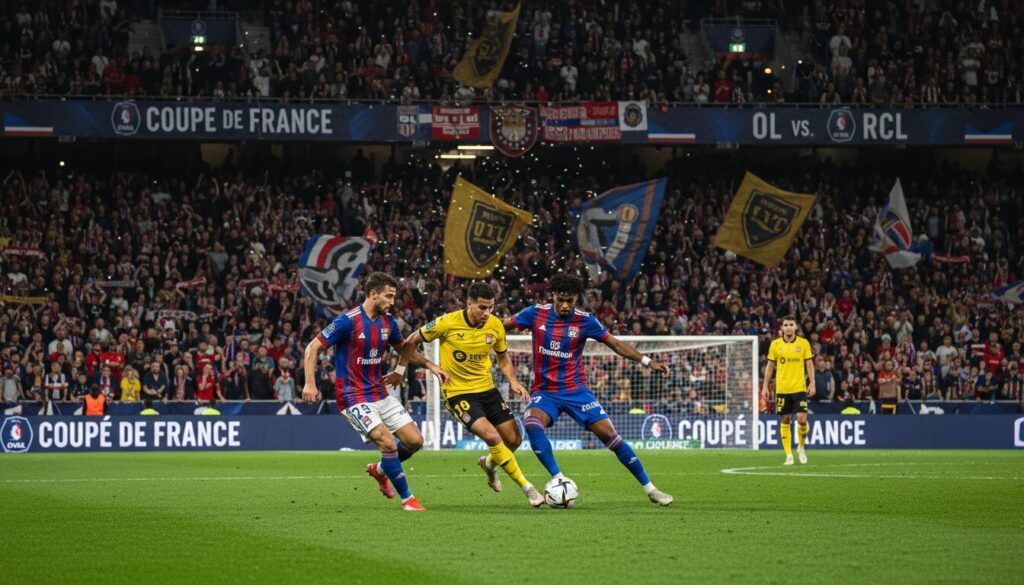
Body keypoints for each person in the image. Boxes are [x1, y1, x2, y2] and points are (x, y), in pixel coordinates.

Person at [503, 274, 675, 506]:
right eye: (561, 300)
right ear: (553, 295)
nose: (565, 305)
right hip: (545, 392)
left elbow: (615, 344)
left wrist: (648, 361)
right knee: (532, 423)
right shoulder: (536, 313)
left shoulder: (585, 321)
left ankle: (651, 489)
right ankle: (559, 478)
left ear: (576, 298)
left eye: (570, 300)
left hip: (576, 391)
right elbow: (501, 325)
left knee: (611, 436)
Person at [302, 272, 448, 512]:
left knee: (415, 441)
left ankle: (380, 470)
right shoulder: (347, 321)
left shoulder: (388, 323)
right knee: (387, 443)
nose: (392, 302)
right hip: (352, 397)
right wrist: (310, 383)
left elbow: (404, 349)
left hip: (380, 393)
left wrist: (430, 366)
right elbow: (312, 347)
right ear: (373, 294)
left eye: (393, 296)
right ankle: (408, 499)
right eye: (388, 296)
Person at [402, 282, 545, 507]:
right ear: (469, 304)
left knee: (513, 440)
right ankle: (528, 488)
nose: (487, 313)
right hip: (458, 393)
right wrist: (429, 365)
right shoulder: (446, 323)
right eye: (482, 308)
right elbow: (410, 341)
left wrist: (514, 382)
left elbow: (503, 358)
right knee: (492, 436)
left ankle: (488, 464)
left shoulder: (495, 325)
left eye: (491, 307)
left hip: (487, 388)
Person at [761, 315, 816, 465]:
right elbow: (770, 367)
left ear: (796, 327)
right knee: (785, 419)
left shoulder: (803, 343)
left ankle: (801, 447)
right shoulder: (775, 345)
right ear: (782, 328)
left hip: (799, 388)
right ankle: (788, 455)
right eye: (786, 325)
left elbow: (809, 364)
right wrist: (765, 385)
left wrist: (812, 383)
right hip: (782, 389)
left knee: (802, 419)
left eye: (791, 325)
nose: (789, 328)